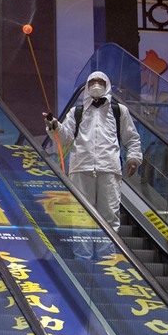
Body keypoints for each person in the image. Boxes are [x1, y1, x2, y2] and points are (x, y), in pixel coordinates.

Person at [44, 71, 143, 256]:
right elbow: (65, 137)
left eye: (100, 81)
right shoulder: (77, 112)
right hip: (81, 167)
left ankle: (107, 259)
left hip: (109, 168)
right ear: (87, 86)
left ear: (107, 85)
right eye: (92, 82)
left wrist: (133, 158)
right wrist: (54, 125)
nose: (96, 85)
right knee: (81, 216)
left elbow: (131, 137)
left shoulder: (119, 110)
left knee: (110, 216)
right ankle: (83, 258)